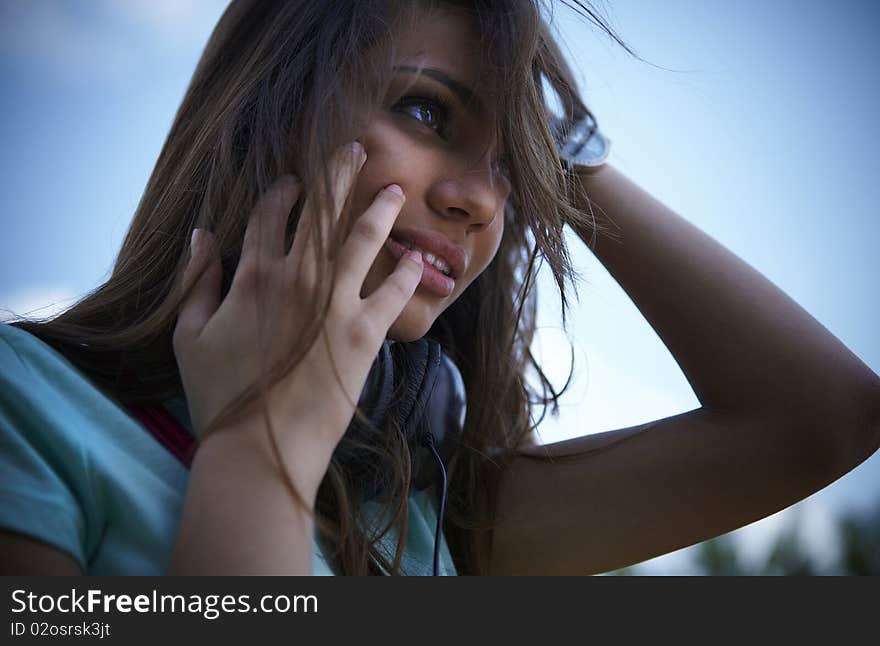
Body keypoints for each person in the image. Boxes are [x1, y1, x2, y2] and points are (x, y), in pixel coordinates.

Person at [1, 0, 877, 576]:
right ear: (262, 112)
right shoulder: (22, 408)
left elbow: (825, 417)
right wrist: (258, 450)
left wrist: (562, 146)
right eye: (426, 112)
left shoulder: (426, 511)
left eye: (511, 171)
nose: (482, 199)